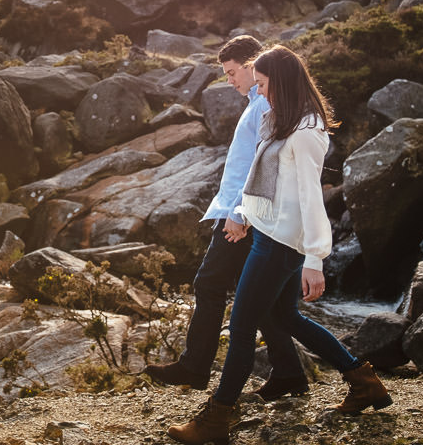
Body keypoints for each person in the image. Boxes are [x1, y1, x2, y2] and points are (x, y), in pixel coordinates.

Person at [167, 46, 391, 445]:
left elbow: (309, 197)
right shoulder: (279, 118)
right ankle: (363, 380)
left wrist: (316, 259)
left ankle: (216, 419)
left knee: (241, 325)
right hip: (267, 233)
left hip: (282, 244)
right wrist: (244, 216)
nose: (261, 92)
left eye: (266, 84)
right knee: (287, 317)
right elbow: (267, 181)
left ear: (282, 82)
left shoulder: (307, 131)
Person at [146, 35, 305, 399]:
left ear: (253, 65)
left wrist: (237, 212)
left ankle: (195, 366)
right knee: (260, 300)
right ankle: (290, 373)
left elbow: (260, 165)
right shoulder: (257, 103)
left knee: (209, 284)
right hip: (244, 211)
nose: (230, 81)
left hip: (241, 213)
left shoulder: (263, 106)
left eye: (233, 73)